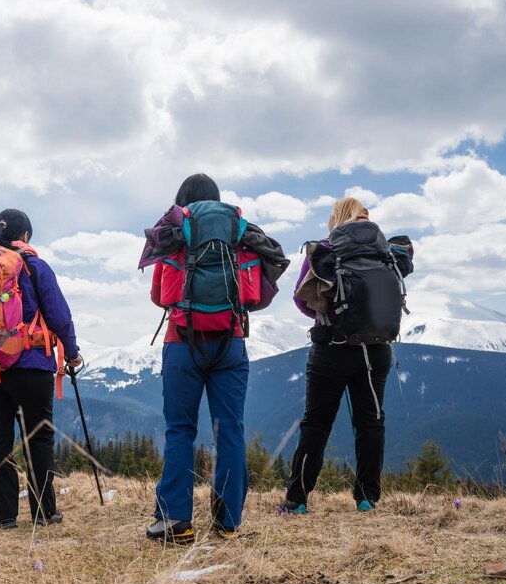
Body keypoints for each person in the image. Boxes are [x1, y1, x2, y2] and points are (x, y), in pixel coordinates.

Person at [280, 197, 402, 514]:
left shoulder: (325, 249)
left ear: (335, 218)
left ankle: (297, 499)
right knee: (370, 422)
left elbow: (301, 299)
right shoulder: (384, 251)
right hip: (375, 350)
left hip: (331, 348)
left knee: (316, 423)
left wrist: (330, 316)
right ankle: (367, 498)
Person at [147, 174, 251, 543]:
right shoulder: (236, 233)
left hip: (182, 342)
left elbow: (158, 296)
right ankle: (228, 522)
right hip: (230, 341)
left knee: (180, 430)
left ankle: (175, 520)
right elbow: (254, 293)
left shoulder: (175, 234)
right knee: (230, 430)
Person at [0, 209, 81, 530]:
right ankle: (44, 512)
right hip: (30, 363)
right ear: (25, 235)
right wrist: (72, 353)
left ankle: (4, 517)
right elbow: (59, 314)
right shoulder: (33, 266)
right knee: (38, 438)